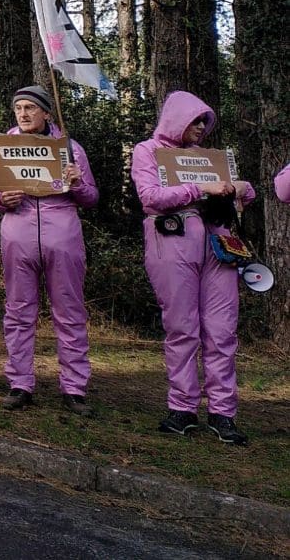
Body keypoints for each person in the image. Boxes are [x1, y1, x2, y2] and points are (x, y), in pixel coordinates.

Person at [131, 91, 256, 446]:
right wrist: (199, 188)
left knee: (222, 329)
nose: (200, 127)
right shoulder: (148, 151)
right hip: (171, 243)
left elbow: (244, 195)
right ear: (176, 118)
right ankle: (182, 407)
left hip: (219, 248)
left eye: (205, 122)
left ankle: (222, 413)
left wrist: (240, 189)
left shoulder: (210, 158)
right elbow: (151, 198)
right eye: (195, 120)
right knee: (182, 327)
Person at [0, 85, 98, 416]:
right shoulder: (2, 147)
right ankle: (20, 384)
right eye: (18, 108)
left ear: (46, 113)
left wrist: (77, 182)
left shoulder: (70, 149)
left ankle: (74, 389)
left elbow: (91, 198)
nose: (23, 113)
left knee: (70, 312)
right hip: (17, 237)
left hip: (62, 238)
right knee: (19, 311)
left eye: (30, 108)